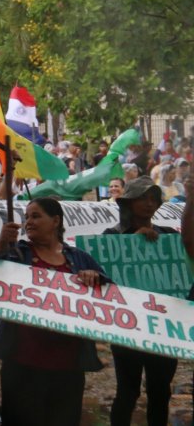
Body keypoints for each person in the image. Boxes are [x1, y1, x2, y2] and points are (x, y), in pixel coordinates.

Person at [0, 196, 108, 425]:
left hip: (67, 367)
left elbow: (110, 294)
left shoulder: (78, 258)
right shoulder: (17, 253)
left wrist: (95, 278)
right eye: (27, 217)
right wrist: (0, 246)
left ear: (56, 221)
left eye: (36, 216)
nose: (28, 222)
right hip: (22, 365)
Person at [103, 178, 179, 426]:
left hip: (164, 328)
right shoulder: (110, 237)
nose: (149, 203)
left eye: (154, 199)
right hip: (126, 326)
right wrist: (134, 244)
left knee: (160, 391)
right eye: (143, 198)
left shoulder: (169, 237)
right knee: (127, 390)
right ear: (129, 202)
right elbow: (104, 278)